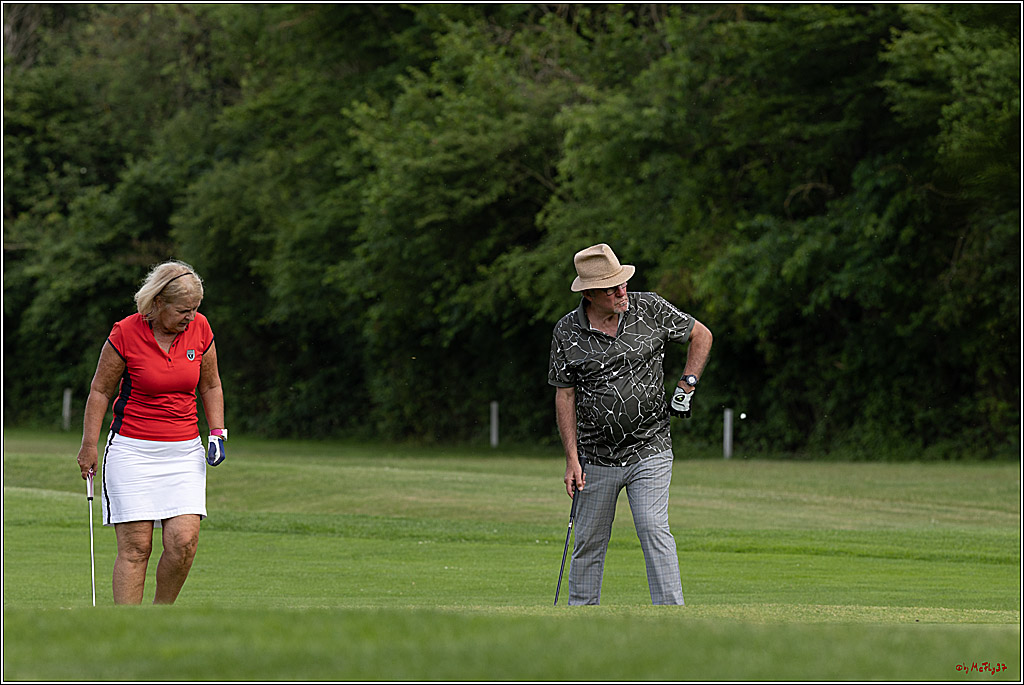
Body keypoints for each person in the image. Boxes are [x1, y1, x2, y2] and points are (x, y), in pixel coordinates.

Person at [548, 243, 712, 605]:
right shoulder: (566, 333)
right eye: (612, 288)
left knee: (653, 528)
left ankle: (671, 619)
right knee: (589, 541)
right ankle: (581, 620)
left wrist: (687, 384)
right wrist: (571, 459)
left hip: (649, 447)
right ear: (590, 294)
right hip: (595, 457)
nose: (622, 291)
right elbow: (565, 395)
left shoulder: (649, 308)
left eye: (622, 283)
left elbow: (701, 334)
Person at [75, 260, 227, 605]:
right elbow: (100, 391)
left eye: (195, 309)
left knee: (184, 541)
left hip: (184, 451)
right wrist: (89, 445)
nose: (190, 317)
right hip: (131, 450)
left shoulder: (201, 329)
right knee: (136, 546)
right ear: (157, 303)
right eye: (182, 310)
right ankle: (128, 630)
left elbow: (212, 384)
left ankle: (159, 618)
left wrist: (217, 431)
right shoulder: (125, 333)